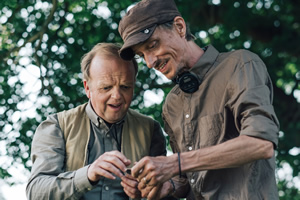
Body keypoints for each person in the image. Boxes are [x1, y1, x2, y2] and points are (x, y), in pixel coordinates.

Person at [117, 0, 280, 199]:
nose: (150, 62)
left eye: (152, 45)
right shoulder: (171, 105)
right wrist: (165, 186)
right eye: (142, 55)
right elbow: (185, 180)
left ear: (179, 27)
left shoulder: (240, 64)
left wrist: (175, 163)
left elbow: (261, 143)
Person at [26, 43, 168, 200]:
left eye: (125, 87)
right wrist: (87, 174)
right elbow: (36, 192)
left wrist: (145, 195)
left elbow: (166, 193)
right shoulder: (56, 126)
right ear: (87, 88)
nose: (117, 96)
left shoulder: (150, 130)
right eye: (106, 88)